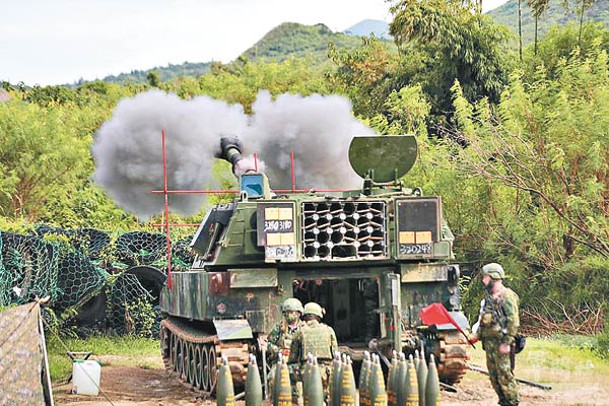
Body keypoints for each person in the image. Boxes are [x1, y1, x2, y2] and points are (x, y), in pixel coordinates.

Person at [471, 262, 520, 406]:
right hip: (490, 344)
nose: (483, 280)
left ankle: (512, 402)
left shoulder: (507, 297)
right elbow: (483, 321)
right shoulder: (488, 299)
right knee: (494, 377)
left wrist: (507, 342)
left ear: (493, 277)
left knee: (505, 375)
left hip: (501, 343)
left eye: (485, 277)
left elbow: (513, 321)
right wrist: (476, 335)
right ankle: (503, 401)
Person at [288, 302, 338, 400]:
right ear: (319, 315)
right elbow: (336, 354)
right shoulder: (329, 330)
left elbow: (292, 358)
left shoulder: (300, 332)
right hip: (326, 373)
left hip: (306, 372)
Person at [267, 298, 304, 401]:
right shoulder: (279, 328)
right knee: (273, 377)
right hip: (281, 362)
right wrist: (278, 351)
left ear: (298, 313)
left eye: (291, 312)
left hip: (297, 363)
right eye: (286, 313)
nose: (288, 315)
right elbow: (269, 344)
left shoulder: (304, 328)